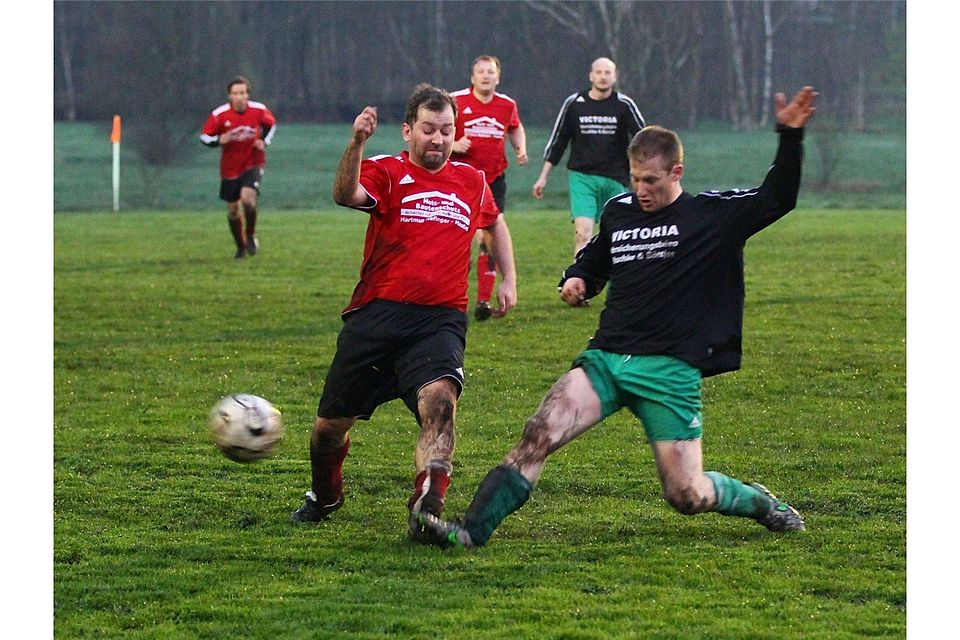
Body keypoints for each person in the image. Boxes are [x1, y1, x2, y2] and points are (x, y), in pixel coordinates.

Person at [418, 86, 819, 549]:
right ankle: (470, 531)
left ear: (677, 171)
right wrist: (579, 279)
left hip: (669, 370)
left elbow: (777, 198)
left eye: (651, 180)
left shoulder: (710, 216)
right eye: (634, 179)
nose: (641, 190)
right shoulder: (619, 212)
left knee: (687, 494)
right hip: (608, 359)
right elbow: (597, 259)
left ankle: (758, 502)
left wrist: (789, 138)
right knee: (538, 434)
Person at [290, 84, 518, 541]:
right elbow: (344, 194)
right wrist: (356, 143)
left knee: (440, 406)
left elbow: (493, 224)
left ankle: (426, 509)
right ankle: (326, 494)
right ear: (408, 131)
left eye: (446, 131)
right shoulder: (388, 171)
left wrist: (509, 278)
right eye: (429, 130)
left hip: (439, 321)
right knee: (328, 431)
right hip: (376, 317)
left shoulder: (471, 180)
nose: (437, 139)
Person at [533, 57, 645, 258]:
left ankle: (616, 286)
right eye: (599, 72)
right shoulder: (575, 103)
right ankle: (579, 285)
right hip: (582, 177)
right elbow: (559, 140)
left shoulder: (624, 105)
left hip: (615, 178)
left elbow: (644, 139)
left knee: (615, 236)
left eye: (608, 73)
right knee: (583, 233)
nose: (603, 77)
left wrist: (642, 174)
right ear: (591, 75)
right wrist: (543, 177)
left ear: (614, 77)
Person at [451, 55, 528, 321]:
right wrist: (453, 145)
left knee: (489, 236)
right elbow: (434, 133)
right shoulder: (455, 101)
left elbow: (515, 128)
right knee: (460, 238)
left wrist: (520, 148)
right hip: (460, 179)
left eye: (490, 72)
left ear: (498, 77)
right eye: (481, 72)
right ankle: (450, 296)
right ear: (472, 78)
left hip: (493, 180)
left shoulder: (507, 105)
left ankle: (484, 300)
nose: (486, 76)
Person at [201, 76, 277, 258]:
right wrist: (219, 140)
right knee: (233, 210)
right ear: (229, 95)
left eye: (243, 93)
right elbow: (204, 136)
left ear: (247, 94)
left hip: (253, 162)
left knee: (248, 199)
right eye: (235, 93)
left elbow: (271, 124)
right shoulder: (220, 115)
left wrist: (264, 141)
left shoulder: (258, 110)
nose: (239, 97)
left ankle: (250, 234)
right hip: (230, 167)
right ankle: (241, 246)